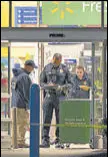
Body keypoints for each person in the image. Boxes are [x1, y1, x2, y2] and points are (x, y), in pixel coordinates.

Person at [40, 53, 71, 148]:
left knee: (60, 120)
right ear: (53, 59)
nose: (56, 63)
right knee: (46, 119)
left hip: (60, 97)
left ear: (61, 60)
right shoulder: (47, 68)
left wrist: (62, 87)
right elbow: (41, 82)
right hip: (49, 96)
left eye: (58, 61)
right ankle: (45, 140)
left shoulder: (65, 69)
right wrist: (47, 86)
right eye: (55, 61)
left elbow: (70, 83)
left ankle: (59, 140)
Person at [11, 60, 37, 148]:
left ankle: (14, 142)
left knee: (15, 124)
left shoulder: (15, 76)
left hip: (14, 103)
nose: (32, 70)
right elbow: (27, 93)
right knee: (22, 124)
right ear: (28, 66)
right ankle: (21, 142)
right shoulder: (25, 77)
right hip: (21, 105)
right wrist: (29, 104)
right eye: (32, 68)